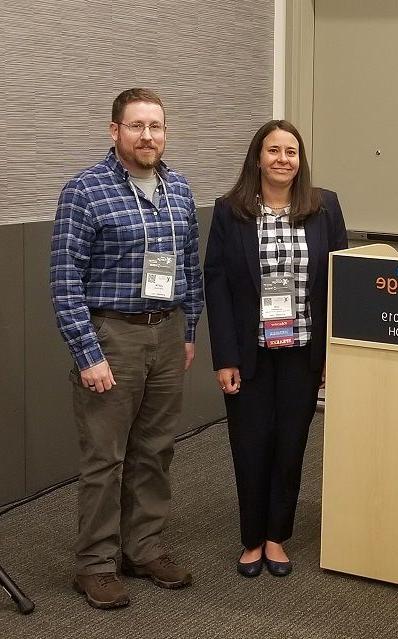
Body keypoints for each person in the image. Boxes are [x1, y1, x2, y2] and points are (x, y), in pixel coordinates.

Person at [50, 88, 203, 609]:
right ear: (114, 131)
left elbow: (190, 269)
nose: (147, 135)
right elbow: (64, 281)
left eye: (156, 126)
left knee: (156, 450)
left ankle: (143, 547)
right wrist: (87, 353)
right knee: (105, 459)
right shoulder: (85, 192)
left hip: (165, 331)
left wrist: (188, 331)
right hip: (111, 335)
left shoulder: (178, 189)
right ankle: (94, 563)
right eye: (136, 126)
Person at [204, 119, 347, 578]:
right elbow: (217, 284)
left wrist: (330, 353)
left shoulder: (325, 207)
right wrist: (224, 356)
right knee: (250, 444)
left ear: (300, 161)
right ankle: (251, 538)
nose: (283, 159)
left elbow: (338, 283)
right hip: (250, 352)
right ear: (258, 157)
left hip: (303, 350)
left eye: (291, 151)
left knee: (291, 443)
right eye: (274, 150)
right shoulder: (231, 211)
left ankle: (276, 537)